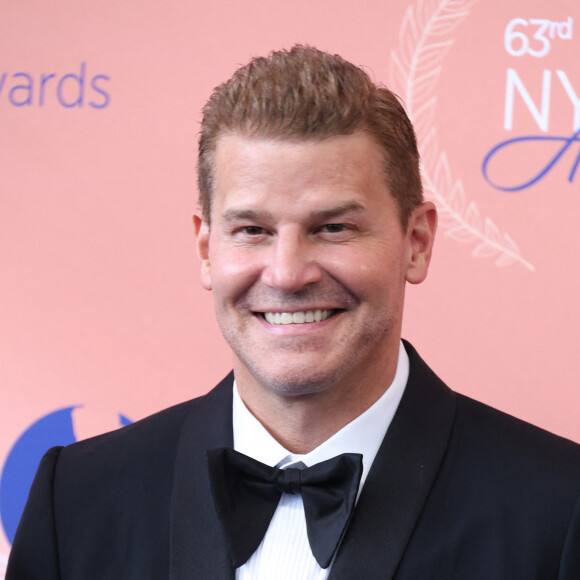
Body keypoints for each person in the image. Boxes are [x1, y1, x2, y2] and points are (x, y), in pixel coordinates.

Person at [6, 45, 580, 580]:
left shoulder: (559, 508)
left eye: (333, 228)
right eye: (252, 230)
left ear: (417, 241)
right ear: (207, 249)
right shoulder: (77, 499)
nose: (286, 273)